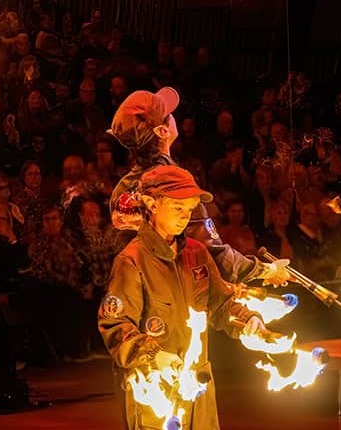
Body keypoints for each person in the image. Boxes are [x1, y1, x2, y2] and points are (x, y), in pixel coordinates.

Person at [99, 165, 271, 430]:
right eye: (178, 208)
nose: (185, 216)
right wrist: (153, 356)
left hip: (198, 383)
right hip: (154, 386)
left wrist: (248, 321)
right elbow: (115, 325)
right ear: (151, 204)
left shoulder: (197, 253)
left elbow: (221, 303)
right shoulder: (131, 261)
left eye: (189, 209)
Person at [105, 88, 291, 287]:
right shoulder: (174, 183)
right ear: (163, 131)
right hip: (171, 300)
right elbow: (213, 255)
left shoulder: (122, 189)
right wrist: (265, 270)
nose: (174, 117)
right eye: (169, 114)